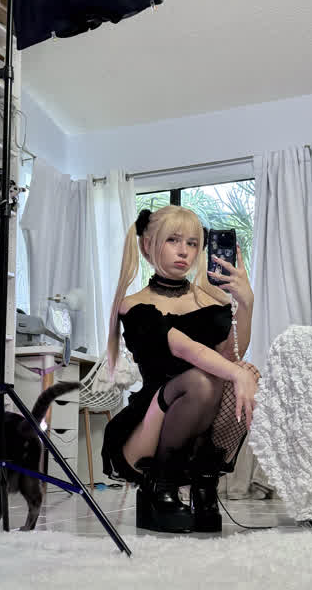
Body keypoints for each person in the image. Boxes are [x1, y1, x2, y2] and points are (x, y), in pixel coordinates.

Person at [101, 205, 259, 534]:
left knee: (243, 373)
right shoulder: (134, 305)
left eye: (192, 243)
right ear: (148, 245)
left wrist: (246, 304)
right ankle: (161, 486)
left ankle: (204, 484)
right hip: (149, 428)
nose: (184, 251)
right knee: (204, 381)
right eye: (173, 240)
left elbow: (230, 356)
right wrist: (235, 372)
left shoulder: (210, 301)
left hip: (201, 429)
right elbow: (186, 349)